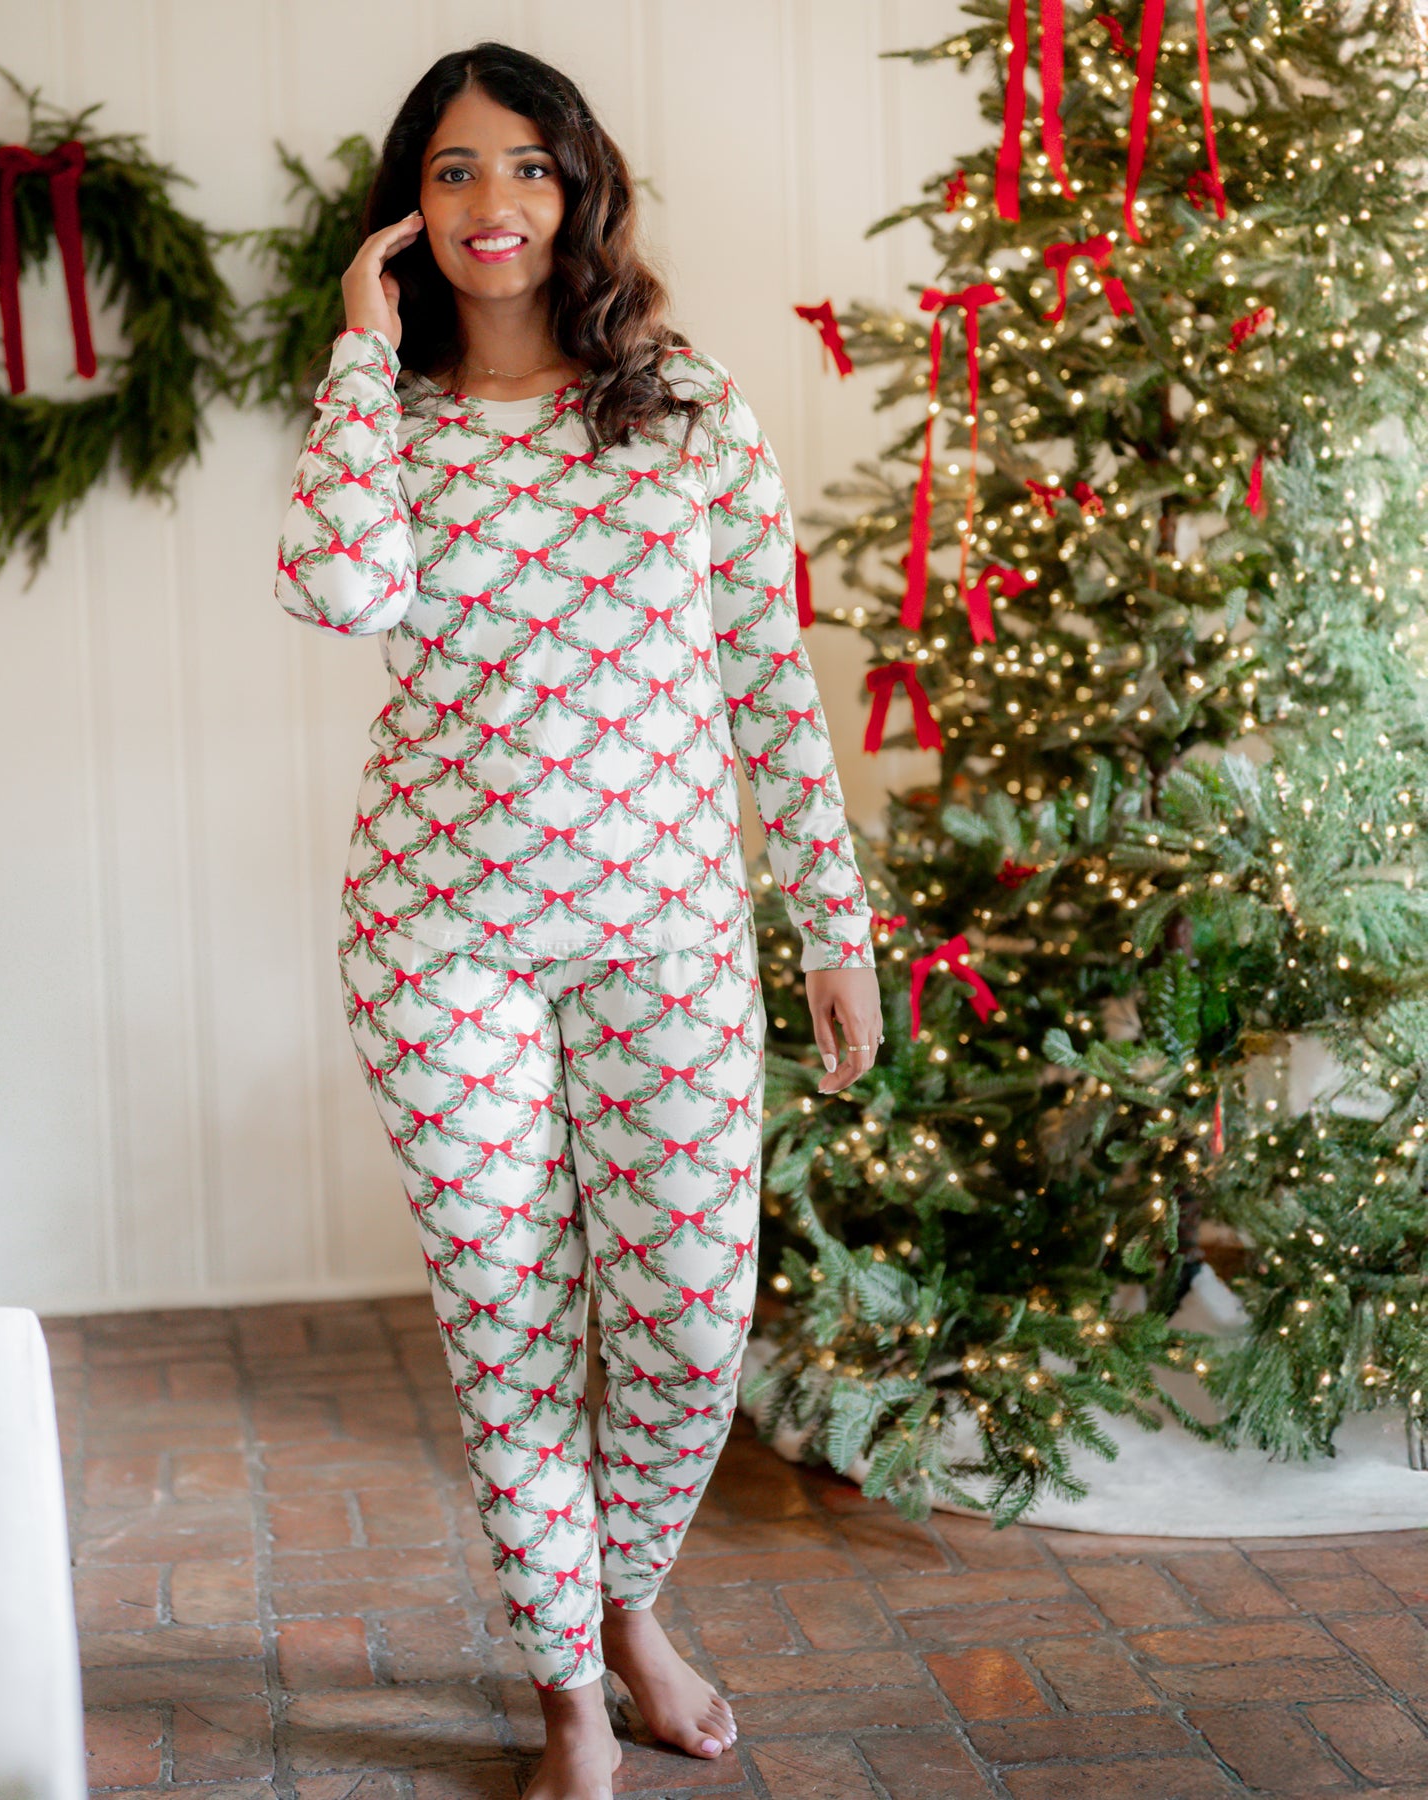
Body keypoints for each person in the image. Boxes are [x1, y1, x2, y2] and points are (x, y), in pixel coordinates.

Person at [274, 41, 881, 1800]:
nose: (494, 205)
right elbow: (338, 590)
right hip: (436, 944)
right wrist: (355, 348)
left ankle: (627, 1598)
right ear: (408, 210)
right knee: (510, 1317)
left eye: (528, 167)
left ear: (580, 187)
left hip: (671, 935)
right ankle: (566, 1689)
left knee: (693, 1319)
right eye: (454, 174)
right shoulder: (379, 419)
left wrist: (829, 924)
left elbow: (773, 676)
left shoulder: (687, 408)